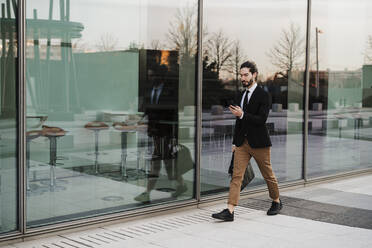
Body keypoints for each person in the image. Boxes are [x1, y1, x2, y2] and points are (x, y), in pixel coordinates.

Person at [212, 61, 282, 221]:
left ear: (254, 74)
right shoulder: (240, 95)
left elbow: (261, 119)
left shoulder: (264, 95)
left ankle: (276, 201)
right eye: (241, 75)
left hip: (260, 143)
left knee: (268, 175)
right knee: (237, 176)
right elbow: (239, 122)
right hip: (242, 143)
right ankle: (230, 210)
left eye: (245, 75)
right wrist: (235, 143)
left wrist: (242, 114)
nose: (242, 78)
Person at [134, 61, 187, 203]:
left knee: (155, 162)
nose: (150, 78)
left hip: (165, 134)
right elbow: (148, 109)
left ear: (160, 76)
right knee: (168, 164)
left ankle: (147, 193)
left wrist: (174, 137)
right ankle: (182, 185)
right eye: (149, 76)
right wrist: (141, 118)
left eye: (152, 75)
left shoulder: (169, 91)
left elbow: (174, 115)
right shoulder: (150, 89)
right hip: (155, 132)